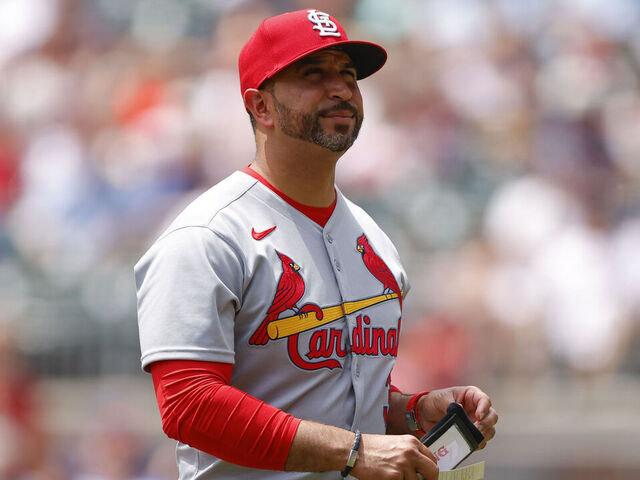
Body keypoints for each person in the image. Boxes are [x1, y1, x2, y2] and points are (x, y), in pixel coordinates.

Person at [134, 8, 498, 480]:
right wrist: (353, 452)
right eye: (313, 74)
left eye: (348, 75)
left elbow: (335, 397)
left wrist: (412, 411)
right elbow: (189, 405)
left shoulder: (373, 239)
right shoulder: (209, 235)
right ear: (260, 107)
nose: (340, 88)